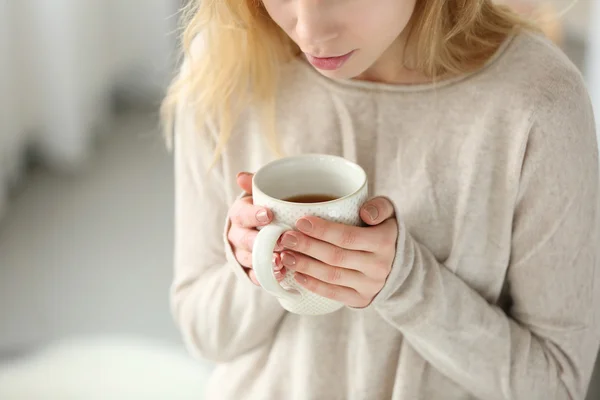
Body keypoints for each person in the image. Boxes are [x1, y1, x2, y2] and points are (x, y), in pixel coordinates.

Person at [162, 0, 600, 399]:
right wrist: (264, 263)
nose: (310, 29)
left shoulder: (538, 102)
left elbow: (558, 384)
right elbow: (206, 335)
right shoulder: (225, 62)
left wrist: (405, 283)